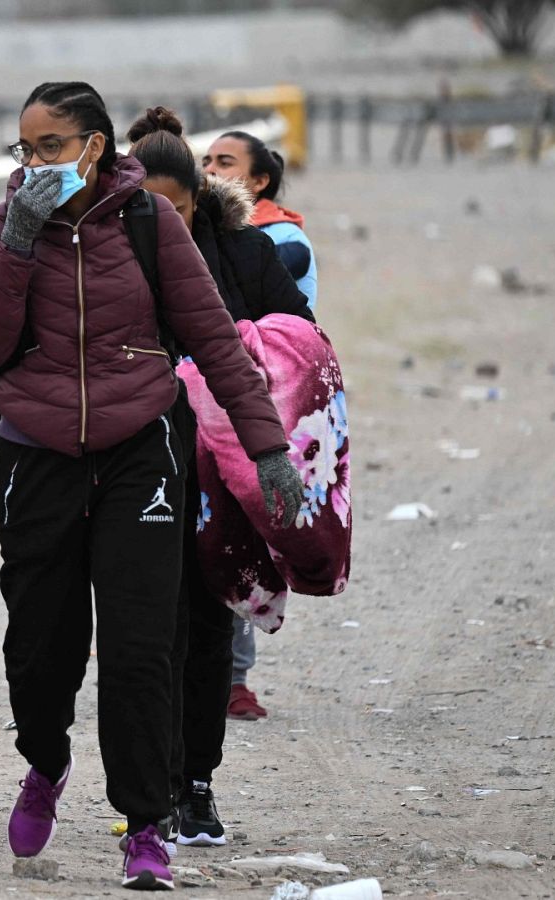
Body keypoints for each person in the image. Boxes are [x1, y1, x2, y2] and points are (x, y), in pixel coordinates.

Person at [0, 81, 304, 891]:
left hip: (140, 450)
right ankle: (45, 764)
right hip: (35, 451)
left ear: (94, 146)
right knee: (39, 649)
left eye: (51, 146)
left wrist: (270, 450)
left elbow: (219, 344)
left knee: (141, 647)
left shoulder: (149, 223)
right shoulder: (11, 223)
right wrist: (17, 236)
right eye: (26, 148)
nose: (37, 162)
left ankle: (146, 825)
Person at [128, 106, 314, 849]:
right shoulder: (104, 251)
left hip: (222, 472)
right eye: (148, 210)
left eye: (173, 209)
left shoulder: (241, 251)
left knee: (206, 632)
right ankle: (155, 788)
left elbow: (300, 336)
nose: (160, 224)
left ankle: (196, 785)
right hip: (134, 469)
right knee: (148, 636)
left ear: (196, 202)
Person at [201, 129, 318, 718]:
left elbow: (293, 333)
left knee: (234, 537)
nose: (213, 169)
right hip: (192, 407)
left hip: (248, 409)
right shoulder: (181, 236)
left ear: (260, 178)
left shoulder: (278, 244)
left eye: (227, 161)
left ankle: (233, 677)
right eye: (208, 160)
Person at [202, 130, 317, 310]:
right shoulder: (208, 229)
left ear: (260, 181)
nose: (209, 170)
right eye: (205, 163)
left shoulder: (286, 235)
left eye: (224, 163)